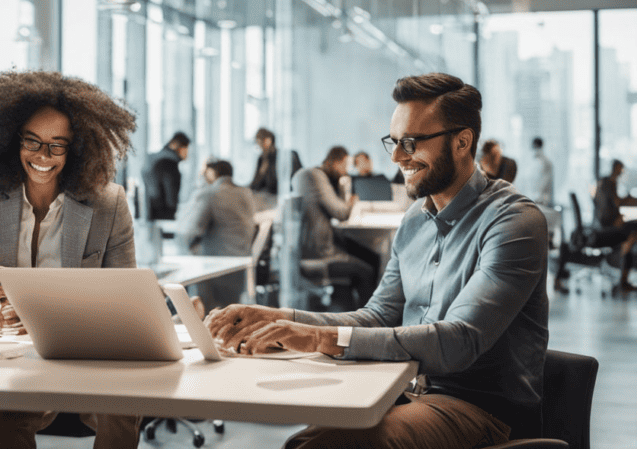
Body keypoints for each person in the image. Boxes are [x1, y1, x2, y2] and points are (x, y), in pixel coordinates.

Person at [208, 73, 549, 449]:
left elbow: (459, 340)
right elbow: (376, 317)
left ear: (462, 142)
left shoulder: (514, 222)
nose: (396, 156)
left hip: (480, 408)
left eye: (411, 142)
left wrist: (319, 337)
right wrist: (281, 319)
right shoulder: (415, 220)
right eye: (394, 141)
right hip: (405, 390)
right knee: (305, 442)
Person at [0, 69, 141, 449]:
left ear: (77, 148)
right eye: (32, 141)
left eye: (57, 145)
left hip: (88, 351)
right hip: (16, 355)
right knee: (13, 412)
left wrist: (50, 315)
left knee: (123, 406)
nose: (43, 156)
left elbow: (124, 303)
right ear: (12, 139)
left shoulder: (109, 203)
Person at [291, 146, 381, 304]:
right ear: (335, 161)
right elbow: (341, 213)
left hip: (321, 243)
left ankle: (356, 307)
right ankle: (368, 317)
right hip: (320, 252)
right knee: (367, 269)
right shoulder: (315, 177)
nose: (345, 171)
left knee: (371, 256)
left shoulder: (315, 176)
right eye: (344, 166)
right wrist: (351, 201)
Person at [176, 159, 257, 310]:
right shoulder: (245, 193)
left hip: (213, 267)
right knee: (232, 314)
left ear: (212, 173)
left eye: (204, 173)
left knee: (209, 314)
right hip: (240, 265)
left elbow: (191, 230)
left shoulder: (211, 194)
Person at [593, 159, 637, 292]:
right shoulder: (608, 182)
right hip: (607, 225)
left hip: (606, 222)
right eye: (620, 168)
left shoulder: (606, 181)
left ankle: (622, 273)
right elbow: (616, 203)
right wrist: (629, 200)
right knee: (633, 231)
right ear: (615, 168)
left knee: (632, 234)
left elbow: (613, 204)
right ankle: (616, 259)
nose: (621, 171)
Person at [142, 131, 190, 220]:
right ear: (176, 145)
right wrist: (172, 215)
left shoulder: (156, 159)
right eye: (186, 148)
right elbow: (170, 194)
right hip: (163, 214)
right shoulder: (168, 163)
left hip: (151, 211)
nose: (187, 153)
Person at [250, 127, 279, 195]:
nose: (260, 148)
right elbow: (254, 186)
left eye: (260, 144)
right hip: (266, 197)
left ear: (268, 141)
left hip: (276, 196)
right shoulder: (262, 159)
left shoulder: (279, 157)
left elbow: (273, 184)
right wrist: (261, 172)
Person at [530, 137, 554, 206]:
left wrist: (538, 195)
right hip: (537, 196)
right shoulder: (536, 160)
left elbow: (545, 181)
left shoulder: (545, 162)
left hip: (541, 198)